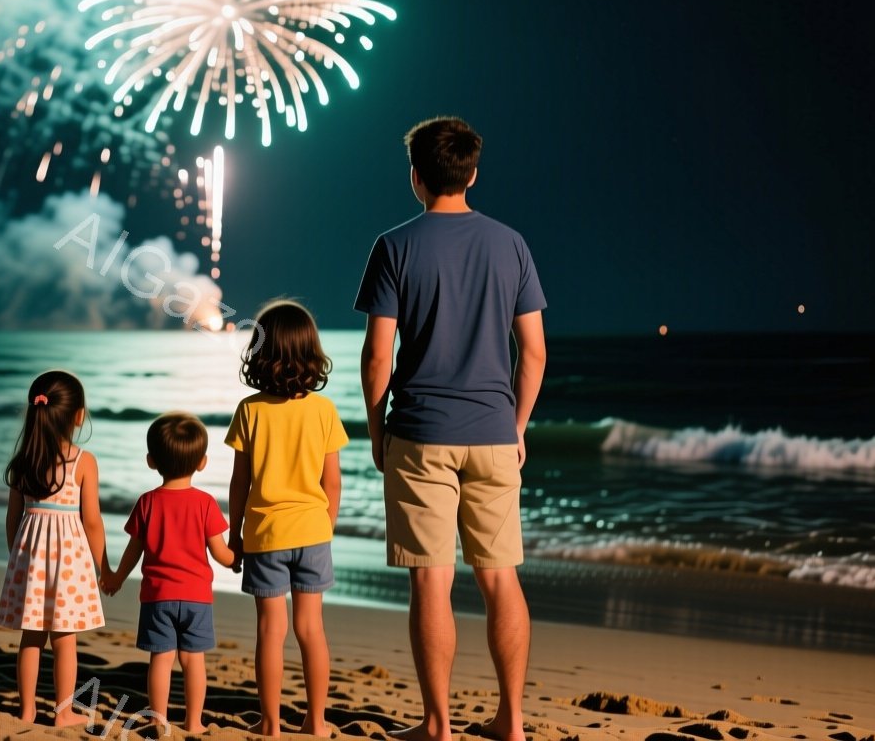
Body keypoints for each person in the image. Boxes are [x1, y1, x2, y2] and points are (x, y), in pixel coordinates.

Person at [354, 117, 548, 741]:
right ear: (473, 171)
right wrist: (517, 424)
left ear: (415, 175)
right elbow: (534, 352)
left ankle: (437, 724)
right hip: (494, 432)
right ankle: (511, 723)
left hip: (420, 432)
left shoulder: (393, 245)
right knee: (500, 578)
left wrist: (377, 429)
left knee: (430, 581)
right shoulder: (511, 243)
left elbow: (378, 355)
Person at [226, 300, 347, 738]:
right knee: (311, 629)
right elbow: (332, 483)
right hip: (313, 532)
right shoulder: (323, 410)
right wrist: (325, 526)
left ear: (261, 354)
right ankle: (315, 721)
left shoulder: (250, 411)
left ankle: (272, 723)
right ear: (312, 354)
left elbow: (240, 483)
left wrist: (235, 532)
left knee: (270, 631)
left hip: (265, 534)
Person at [104, 412, 236, 734]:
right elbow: (220, 552)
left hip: (157, 598)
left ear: (151, 461)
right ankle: (193, 722)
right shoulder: (205, 503)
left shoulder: (147, 502)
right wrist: (236, 558)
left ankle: (158, 719)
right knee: (193, 662)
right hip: (196, 600)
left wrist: (118, 577)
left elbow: (134, 549)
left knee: (160, 661)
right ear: (202, 462)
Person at [0, 370, 109, 726]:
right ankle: (63, 712)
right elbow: (91, 520)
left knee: (31, 637)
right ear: (78, 416)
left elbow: (13, 520)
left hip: (30, 557)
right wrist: (101, 565)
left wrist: (18, 556)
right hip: (69, 563)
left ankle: (26, 710)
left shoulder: (24, 459)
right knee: (65, 639)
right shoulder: (82, 461)